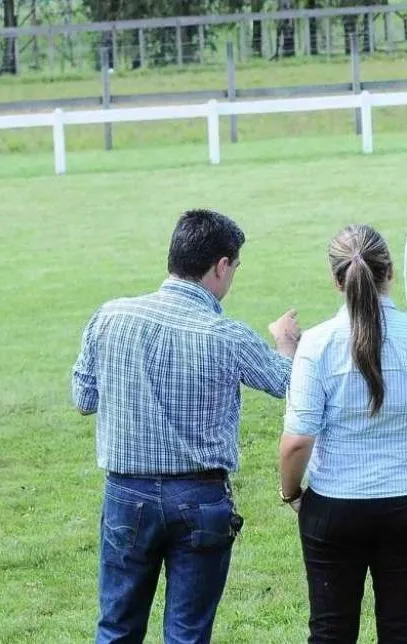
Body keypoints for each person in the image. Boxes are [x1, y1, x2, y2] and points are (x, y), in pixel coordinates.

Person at [71, 208, 300, 644]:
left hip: (126, 492)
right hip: (200, 496)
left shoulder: (111, 316)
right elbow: (287, 384)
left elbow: (84, 399)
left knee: (116, 626)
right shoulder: (225, 334)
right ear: (221, 266)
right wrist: (286, 342)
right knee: (188, 634)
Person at [278, 224, 407, 644]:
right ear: (388, 274)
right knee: (404, 629)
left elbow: (298, 440)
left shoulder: (315, 344)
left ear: (336, 282)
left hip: (333, 504)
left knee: (330, 630)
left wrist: (292, 493)